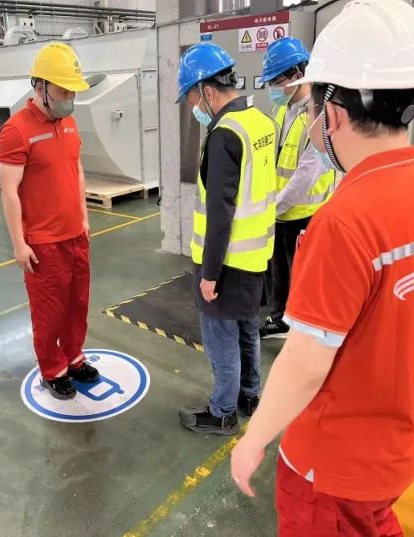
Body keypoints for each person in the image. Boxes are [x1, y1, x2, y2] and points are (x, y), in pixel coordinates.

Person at [230, 1, 414, 535]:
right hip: (399, 447)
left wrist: (254, 439)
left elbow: (305, 363)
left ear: (333, 114)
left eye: (314, 110)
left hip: (331, 466)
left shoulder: (344, 222)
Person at [175, 42, 278, 435]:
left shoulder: (224, 134)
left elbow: (220, 213)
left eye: (190, 97)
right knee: (247, 327)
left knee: (221, 338)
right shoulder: (261, 122)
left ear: (206, 90)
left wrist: (209, 274)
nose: (192, 106)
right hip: (256, 256)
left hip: (227, 261)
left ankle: (222, 412)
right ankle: (250, 395)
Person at [0, 42, 98, 400]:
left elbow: (76, 169)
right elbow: (9, 192)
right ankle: (53, 367)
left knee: (77, 305)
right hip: (43, 243)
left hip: (75, 235)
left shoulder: (68, 122)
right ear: (40, 87)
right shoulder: (15, 131)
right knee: (50, 312)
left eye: (72, 91)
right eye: (62, 90)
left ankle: (73, 356)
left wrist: (83, 216)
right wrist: (18, 244)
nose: (69, 98)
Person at [259, 37, 336, 340]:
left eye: (276, 81)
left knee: (304, 276)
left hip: (306, 214)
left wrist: (273, 207)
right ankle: (280, 319)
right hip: (279, 211)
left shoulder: (317, 116)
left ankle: (304, 328)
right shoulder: (281, 110)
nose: (273, 88)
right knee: (279, 270)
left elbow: (307, 173)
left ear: (297, 75)